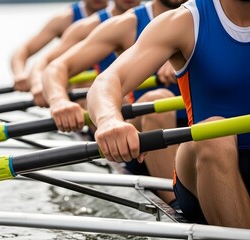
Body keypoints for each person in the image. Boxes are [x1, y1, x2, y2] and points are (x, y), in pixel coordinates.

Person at [87, 0, 250, 228]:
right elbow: (107, 81)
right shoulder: (185, 22)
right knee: (213, 133)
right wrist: (108, 120)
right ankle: (174, 204)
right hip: (206, 159)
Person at [42, 0, 187, 205]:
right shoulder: (126, 24)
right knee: (157, 98)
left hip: (205, 132)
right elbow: (55, 67)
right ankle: (176, 205)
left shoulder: (223, 15)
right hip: (144, 139)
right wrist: (58, 100)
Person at [28, 0, 141, 107]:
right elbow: (45, 62)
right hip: (104, 97)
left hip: (137, 99)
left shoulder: (156, 21)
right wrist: (38, 84)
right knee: (88, 86)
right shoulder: (83, 25)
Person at [10, 0, 108, 92]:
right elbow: (25, 49)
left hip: (109, 85)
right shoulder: (65, 19)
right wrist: (20, 74)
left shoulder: (120, 16)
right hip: (77, 87)